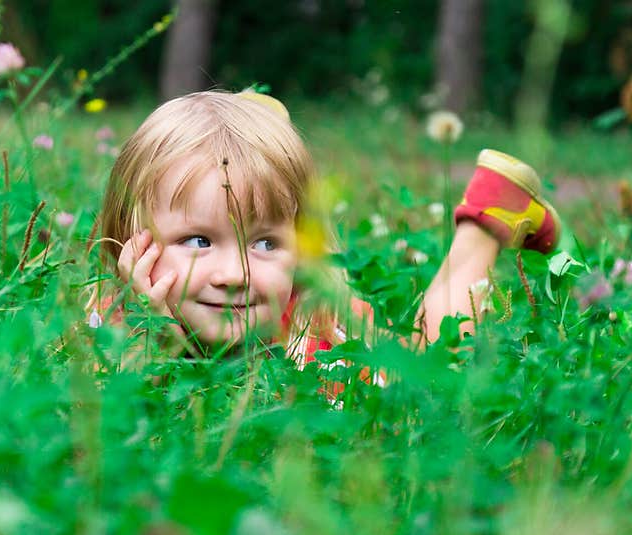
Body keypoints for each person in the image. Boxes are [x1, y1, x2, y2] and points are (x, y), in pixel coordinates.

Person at [93, 90, 560, 373]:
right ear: (131, 240)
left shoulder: (318, 339)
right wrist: (150, 332)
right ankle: (257, 127)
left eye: (265, 243)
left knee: (434, 365)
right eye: (198, 241)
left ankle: (489, 216)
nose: (234, 274)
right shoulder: (111, 323)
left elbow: (412, 413)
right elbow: (105, 417)